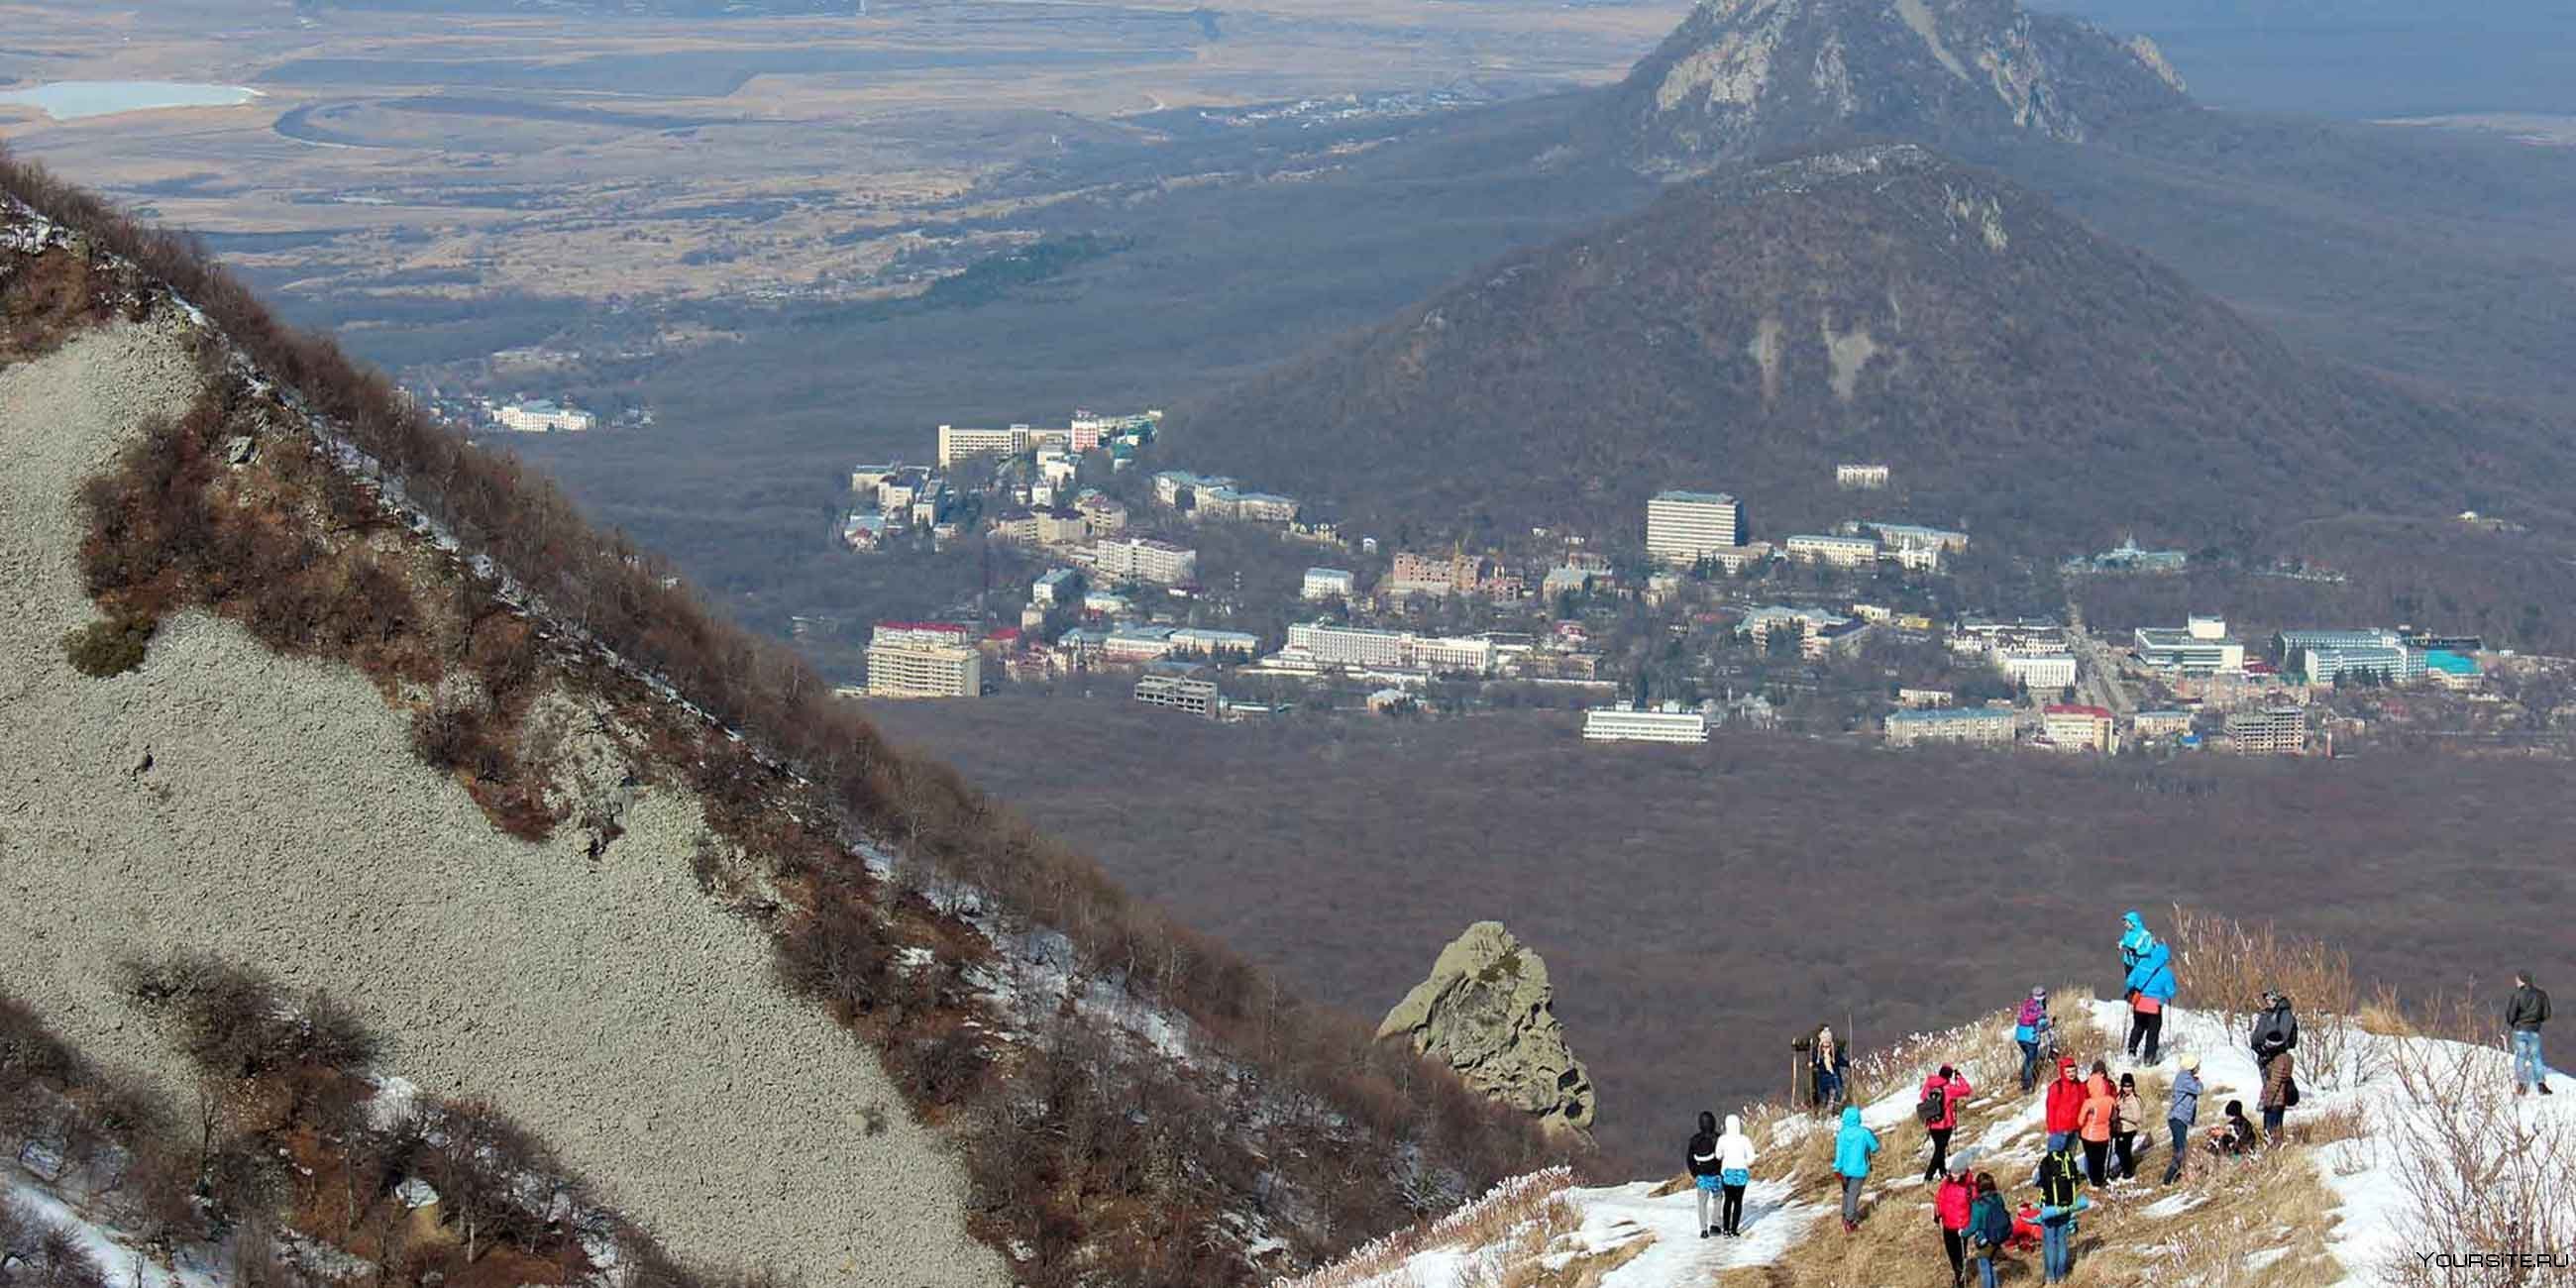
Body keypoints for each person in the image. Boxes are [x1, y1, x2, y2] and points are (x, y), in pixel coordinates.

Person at [2121, 913, 2179, 1065]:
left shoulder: (2141, 965)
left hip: (2139, 1002)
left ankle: (2131, 1050)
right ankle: (2148, 1059)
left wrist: (2132, 990)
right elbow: (2172, 992)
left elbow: (2130, 981)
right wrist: (2164, 993)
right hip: (2155, 1006)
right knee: (2153, 1033)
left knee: (2138, 1026)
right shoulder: (2166, 973)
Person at [2035, 1145, 2091, 1283]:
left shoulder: (2046, 1162)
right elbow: (2076, 1180)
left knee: (2049, 1243)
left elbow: (2037, 1182)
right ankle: (2062, 1276)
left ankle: (2050, 1277)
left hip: (2050, 1207)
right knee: (2061, 1241)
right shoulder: (2068, 1160)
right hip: (2066, 1207)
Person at [1919, 1063, 1974, 1180]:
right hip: (1945, 1124)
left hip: (1932, 1123)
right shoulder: (1949, 1088)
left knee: (1940, 1148)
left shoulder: (1929, 1085)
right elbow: (1967, 1090)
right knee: (1939, 1150)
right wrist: (1959, 1077)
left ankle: (1942, 1171)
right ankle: (1928, 1176)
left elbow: (1922, 1097)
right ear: (1949, 1076)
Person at [1834, 1104, 1878, 1232]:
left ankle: (1844, 1215)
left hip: (1844, 1170)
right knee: (1854, 1194)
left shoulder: (1841, 1134)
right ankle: (1850, 1221)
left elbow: (1839, 1153)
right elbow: (1875, 1147)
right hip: (1859, 1170)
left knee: (1846, 1193)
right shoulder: (1864, 1133)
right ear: (1858, 1118)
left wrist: (1837, 1168)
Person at [2508, 970, 2553, 1097]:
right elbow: (2547, 1014)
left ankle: (2522, 1084)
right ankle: (2541, 1084)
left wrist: (2514, 1024)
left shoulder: (2517, 995)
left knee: (2521, 1056)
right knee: (2536, 1057)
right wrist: (2536, 1022)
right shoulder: (2541, 994)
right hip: (2534, 1030)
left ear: (2522, 980)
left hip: (2520, 1029)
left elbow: (2511, 1014)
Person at [2163, 1052, 2202, 1185]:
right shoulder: (2185, 1078)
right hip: (2178, 1117)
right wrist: (2198, 1081)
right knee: (2180, 1150)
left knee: (2180, 1149)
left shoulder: (2185, 1077)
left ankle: (2178, 1174)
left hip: (2180, 1118)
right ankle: (2168, 1180)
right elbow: (2199, 1089)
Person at [1967, 1173, 2013, 1288]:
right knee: (1992, 1266)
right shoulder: (1998, 1197)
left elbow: (1973, 1226)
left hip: (1984, 1240)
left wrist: (1962, 1233)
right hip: (1998, 1237)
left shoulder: (1978, 1204)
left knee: (1985, 1269)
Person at [2076, 1064, 2117, 1185]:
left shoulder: (2089, 1103)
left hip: (2089, 1135)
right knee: (2101, 1160)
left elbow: (2080, 1121)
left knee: (2091, 1159)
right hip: (2104, 1134)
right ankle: (2099, 1181)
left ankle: (2093, 1182)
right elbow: (2114, 1116)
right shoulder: (2110, 1100)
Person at [1935, 1165, 1975, 1287]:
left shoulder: (1970, 1187)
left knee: (1960, 1255)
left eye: (1956, 1173)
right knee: (1951, 1253)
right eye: (1952, 1173)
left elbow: (1976, 1204)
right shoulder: (1946, 1183)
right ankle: (1958, 1275)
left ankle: (1960, 1280)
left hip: (1961, 1227)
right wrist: (1937, 1213)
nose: (1953, 1175)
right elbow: (1940, 1198)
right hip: (1947, 1225)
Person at [1717, 1113, 1756, 1237]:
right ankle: (1734, 1229)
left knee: (1728, 1200)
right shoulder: (1745, 1139)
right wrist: (1745, 1163)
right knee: (1738, 1201)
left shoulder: (1722, 1139)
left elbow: (1718, 1155)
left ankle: (1726, 1229)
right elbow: (1751, 1158)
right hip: (1741, 1171)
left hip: (1727, 1171)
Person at [1688, 1111, 1723, 1237]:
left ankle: (1703, 1229)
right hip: (1716, 1175)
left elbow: (1690, 1159)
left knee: (1702, 1203)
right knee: (1717, 1199)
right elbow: (1722, 1157)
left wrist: (1695, 1174)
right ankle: (1715, 1225)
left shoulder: (1694, 1140)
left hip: (1701, 1177)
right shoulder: (1718, 1138)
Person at [2043, 1056, 2085, 1152]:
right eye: (2068, 1072)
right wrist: (2052, 1130)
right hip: (2059, 1131)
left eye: (2073, 1071)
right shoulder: (2056, 1087)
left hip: (2074, 1129)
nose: (2071, 1074)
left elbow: (2083, 1105)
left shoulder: (2079, 1086)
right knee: (2055, 1160)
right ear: (2063, 1072)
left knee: (2069, 1159)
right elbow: (2050, 1109)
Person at [2015, 987, 2053, 1093]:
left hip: (2020, 1036)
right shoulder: (2039, 1009)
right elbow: (2040, 1025)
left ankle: (2024, 1080)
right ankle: (2027, 1086)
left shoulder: (2026, 1004)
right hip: (2031, 1037)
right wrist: (2049, 1025)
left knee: (2028, 1060)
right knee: (2030, 1061)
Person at [2261, 1040, 2298, 1145]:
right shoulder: (2287, 1058)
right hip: (2281, 1098)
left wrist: (2268, 1101)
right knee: (2278, 1126)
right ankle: (2277, 1148)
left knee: (2270, 1129)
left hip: (2275, 1099)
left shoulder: (2279, 1060)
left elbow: (2275, 1083)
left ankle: (2272, 1150)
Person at [2113, 1072, 2146, 1180]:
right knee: (2118, 1150)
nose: (2127, 1089)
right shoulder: (2119, 1097)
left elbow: (2137, 1117)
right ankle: (2125, 1167)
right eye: (2125, 1086)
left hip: (2129, 1129)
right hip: (2119, 1129)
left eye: (2129, 1086)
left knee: (2125, 1150)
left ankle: (2128, 1171)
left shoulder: (2134, 1099)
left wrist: (2122, 1115)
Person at [1813, 1025, 1849, 1111]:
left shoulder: (1834, 1050)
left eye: (1828, 1041)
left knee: (1839, 1091)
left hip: (1834, 1074)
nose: (1826, 1045)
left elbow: (1840, 1060)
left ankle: (1836, 1109)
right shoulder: (1817, 1051)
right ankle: (1823, 1111)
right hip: (1822, 1075)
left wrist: (1848, 1064)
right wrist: (1812, 1065)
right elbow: (1814, 1061)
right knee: (1824, 1094)